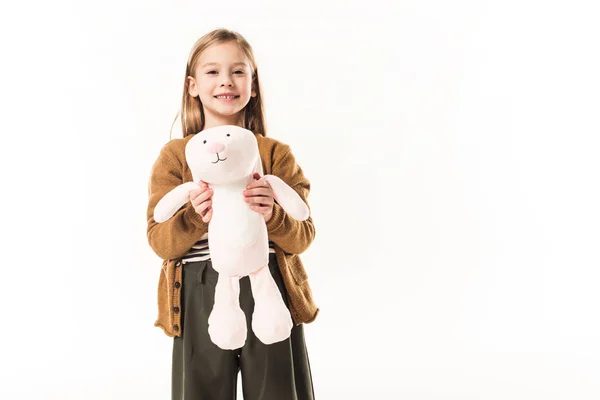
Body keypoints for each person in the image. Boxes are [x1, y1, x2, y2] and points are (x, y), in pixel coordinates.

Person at [146, 28, 320, 400]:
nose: (226, 80)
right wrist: (192, 217)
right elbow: (160, 241)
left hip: (269, 284)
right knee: (200, 390)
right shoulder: (176, 156)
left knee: (278, 390)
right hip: (198, 287)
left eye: (238, 71)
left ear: (253, 85)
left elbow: (303, 234)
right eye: (213, 72)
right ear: (192, 85)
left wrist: (274, 215)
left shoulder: (275, 154)